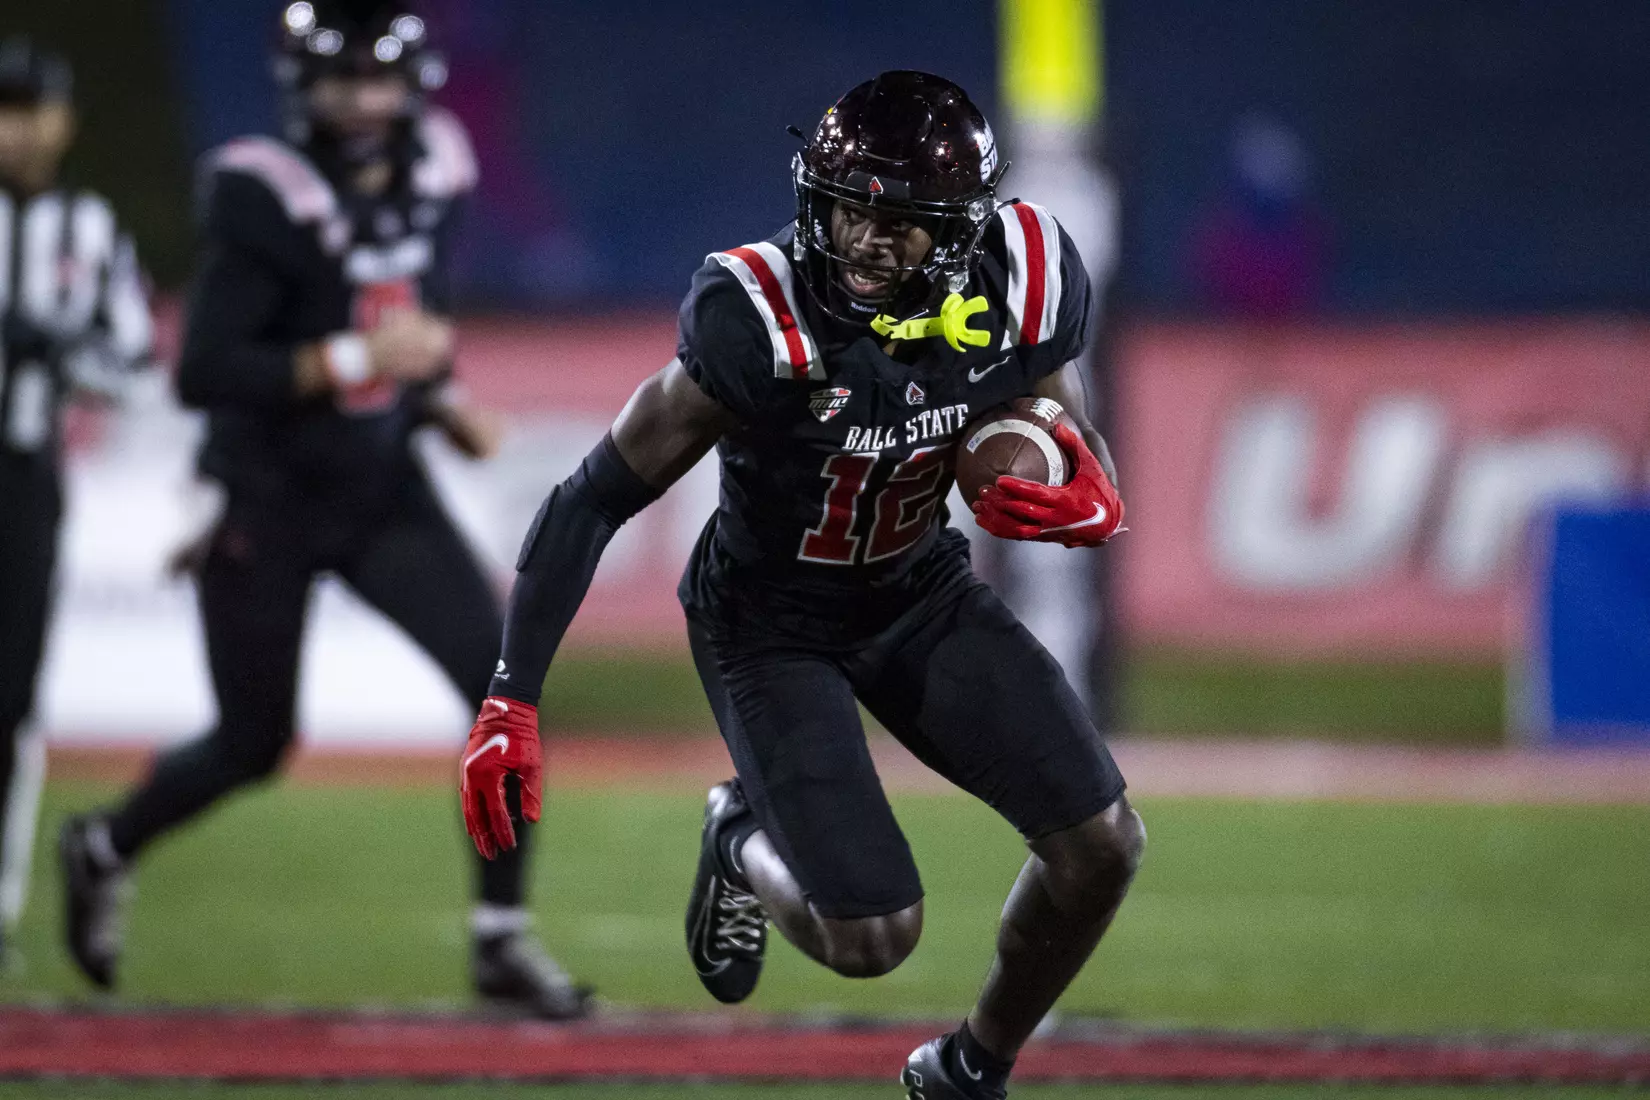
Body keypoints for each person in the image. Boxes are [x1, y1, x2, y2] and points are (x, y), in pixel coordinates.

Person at [460, 71, 1143, 1097]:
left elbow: (1061, 425)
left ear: (959, 229)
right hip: (768, 620)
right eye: (846, 205)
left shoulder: (1026, 274)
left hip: (917, 590)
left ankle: (969, 1069)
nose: (865, 238)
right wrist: (512, 691)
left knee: (1101, 846)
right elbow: (590, 497)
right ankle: (741, 837)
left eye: (900, 220)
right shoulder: (758, 312)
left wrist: (1094, 490)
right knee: (873, 933)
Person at [58, 1, 588, 1018]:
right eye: (340, 82)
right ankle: (104, 841)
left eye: (376, 80)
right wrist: (358, 360)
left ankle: (500, 939)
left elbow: (408, 314)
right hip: (268, 496)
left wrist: (436, 397)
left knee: (501, 694)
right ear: (305, 87)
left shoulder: (434, 165)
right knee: (254, 740)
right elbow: (207, 369)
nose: (360, 103)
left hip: (380, 487)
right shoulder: (266, 191)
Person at [0, 38, 153, 969]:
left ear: (62, 122)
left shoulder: (87, 229)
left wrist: (60, 351)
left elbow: (133, 371)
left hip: (25, 477)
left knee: (12, 703)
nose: (17, 130)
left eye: (31, 110)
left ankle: (2, 902)